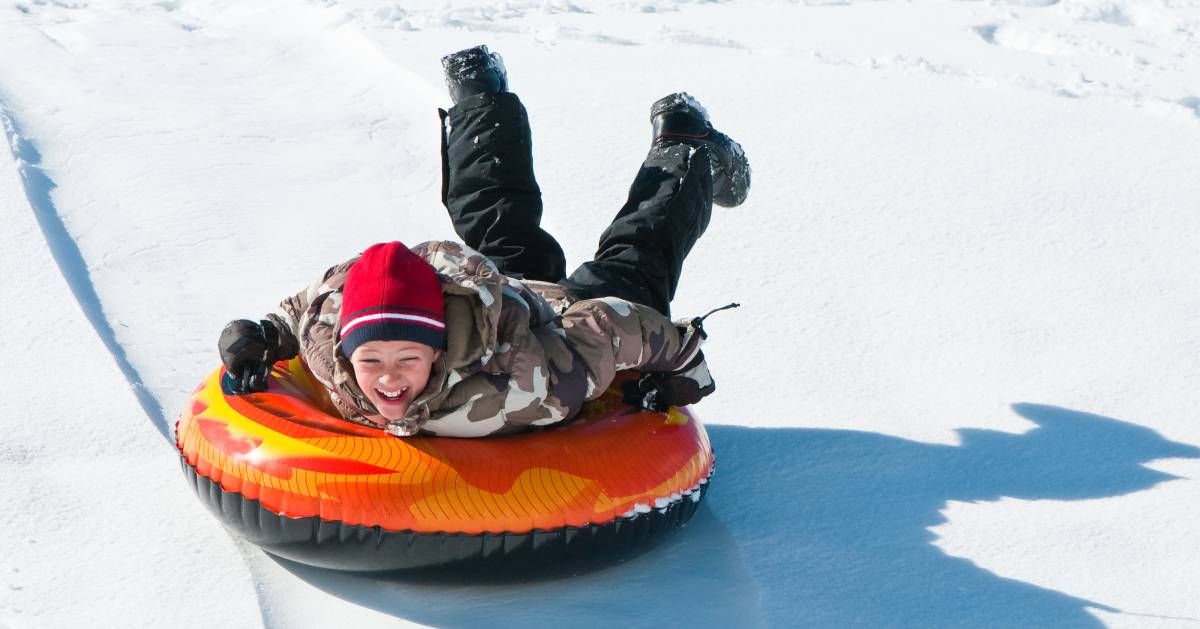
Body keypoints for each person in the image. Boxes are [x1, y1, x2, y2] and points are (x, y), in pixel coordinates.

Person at [217, 45, 751, 438]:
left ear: (438, 348)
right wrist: (259, 335)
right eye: (371, 359)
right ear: (345, 352)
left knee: (637, 257)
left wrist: (685, 367)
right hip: (491, 292)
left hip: (561, 326)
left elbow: (613, 326)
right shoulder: (326, 345)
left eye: (407, 357)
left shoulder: (526, 384)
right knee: (493, 221)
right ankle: (479, 96)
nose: (389, 378)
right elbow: (308, 312)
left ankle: (686, 141)